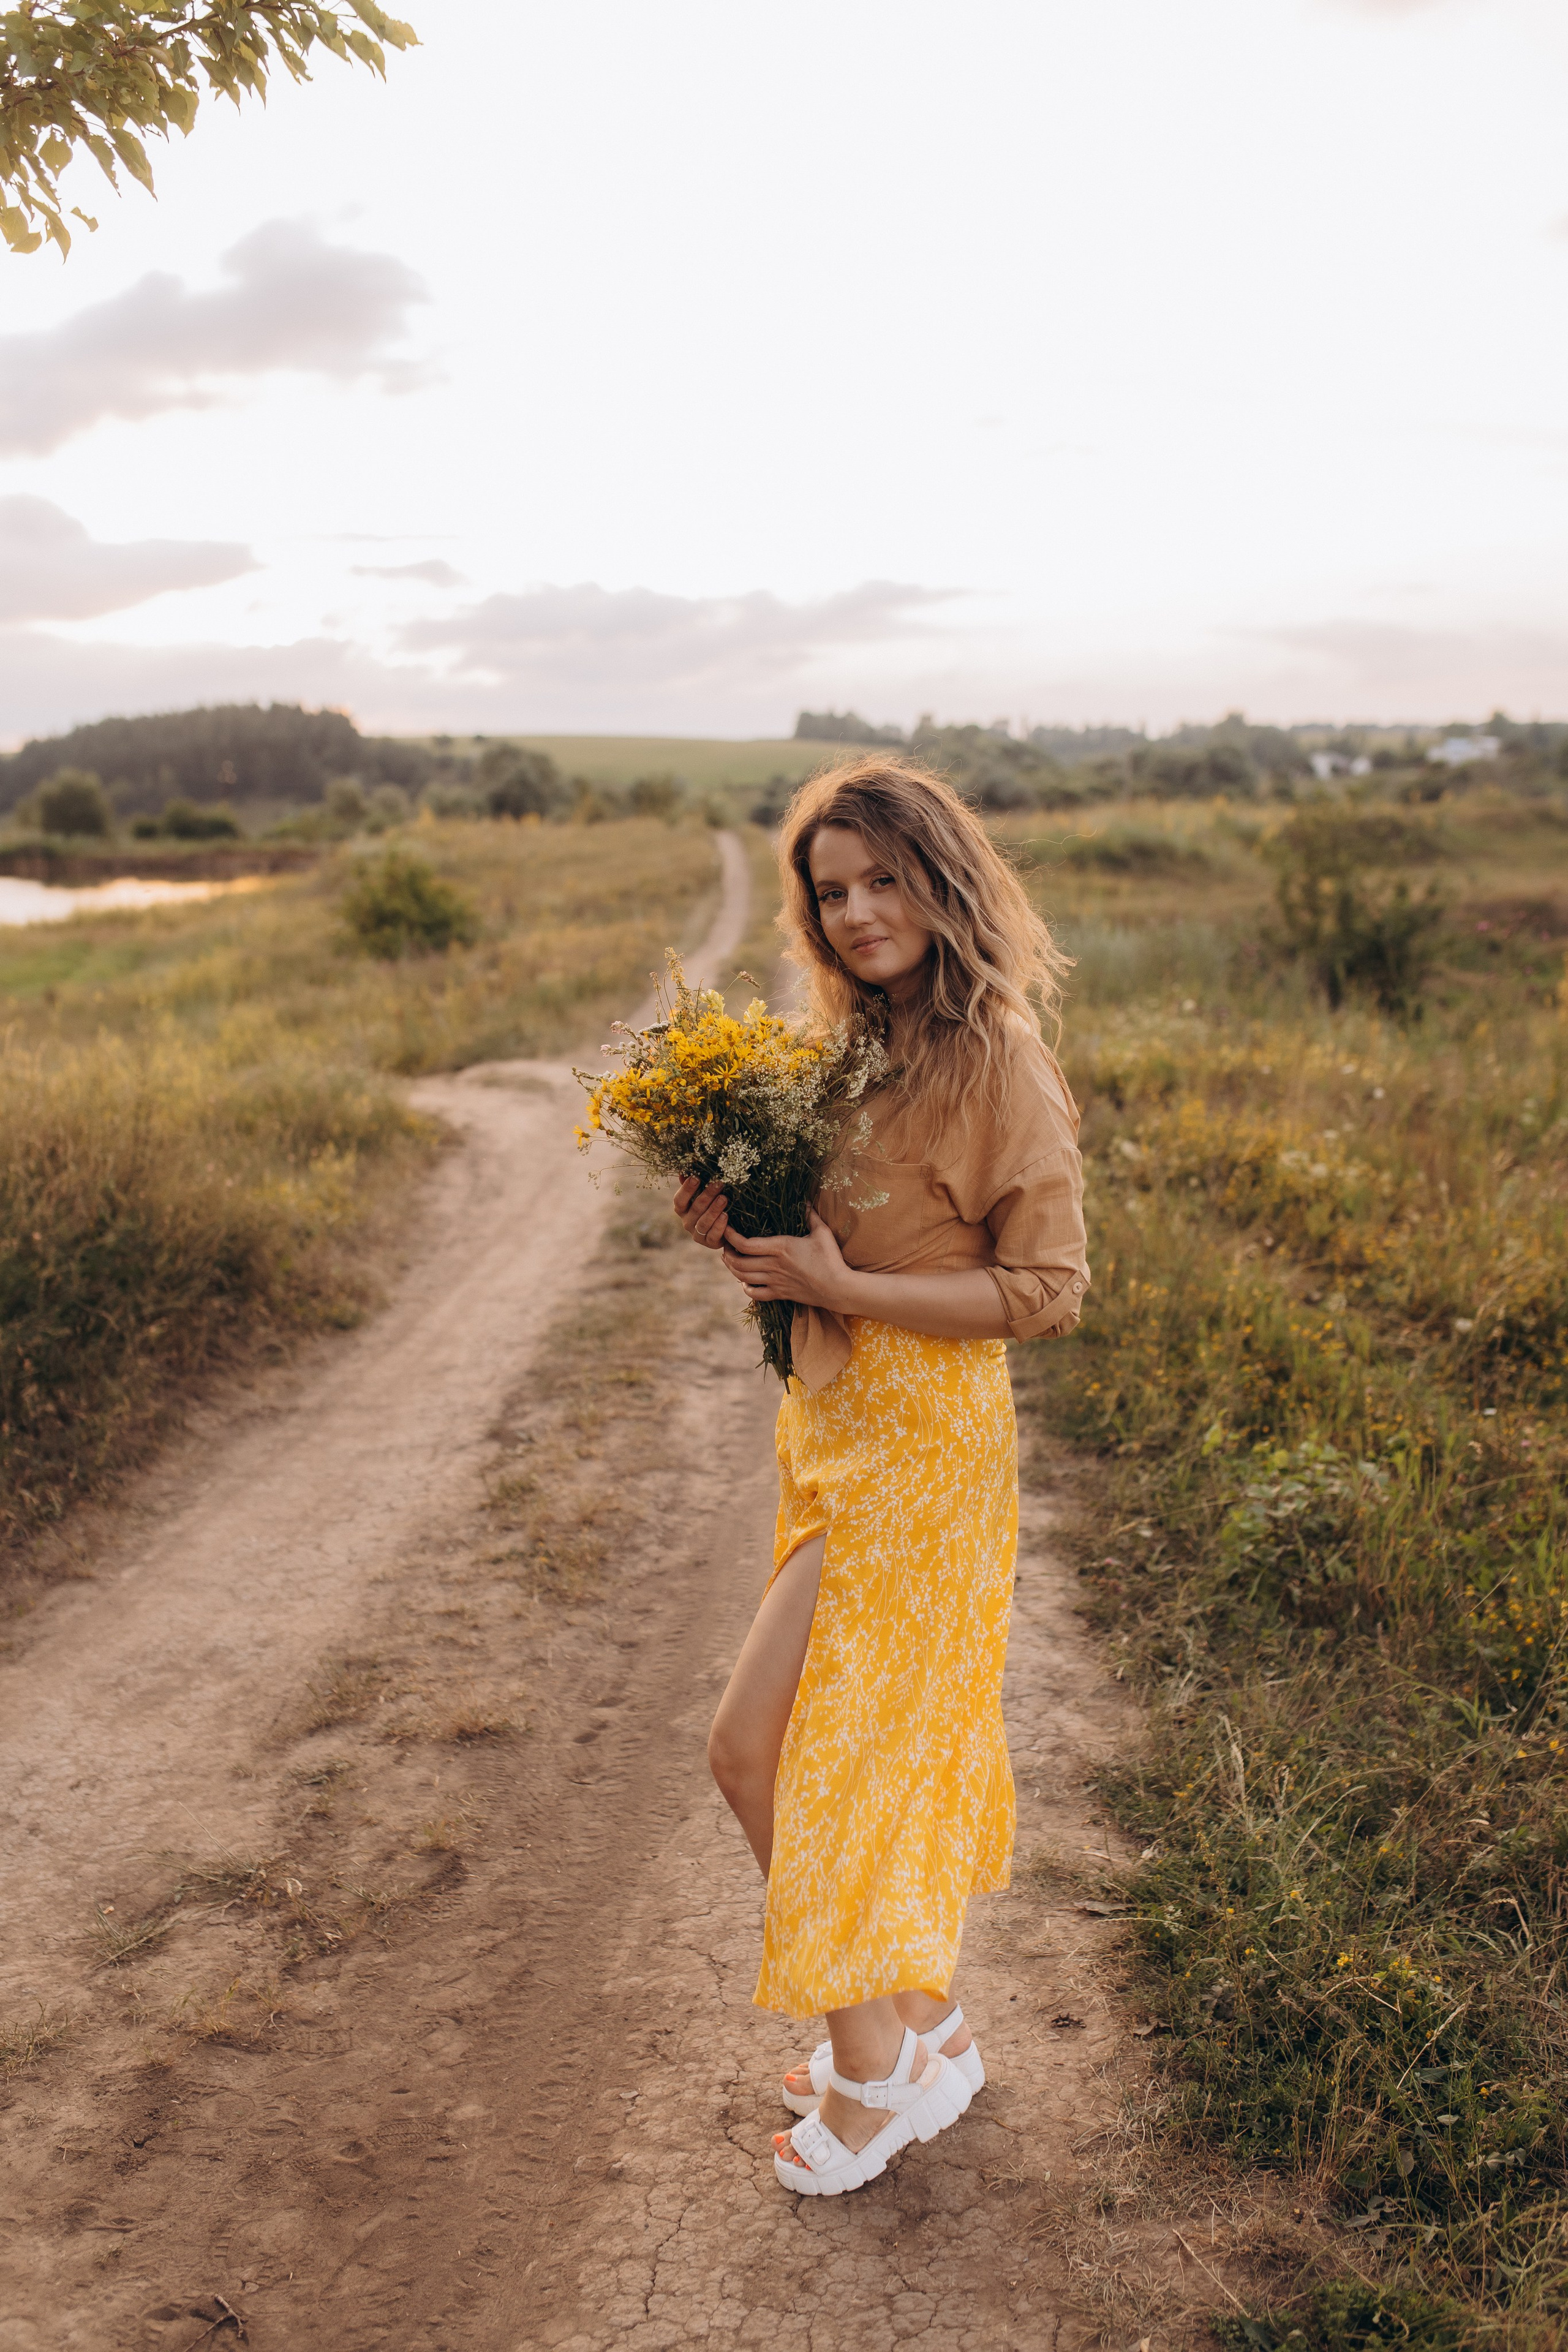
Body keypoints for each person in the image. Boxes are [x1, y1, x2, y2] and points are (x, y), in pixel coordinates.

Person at [672, 755, 1089, 2198]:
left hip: (926, 1442)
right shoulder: (847, 1051)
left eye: (879, 880)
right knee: (849, 1748)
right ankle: (926, 2025)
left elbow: (1041, 1290)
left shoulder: (997, 1057)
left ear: (940, 877)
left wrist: (845, 1279)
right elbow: (823, 1256)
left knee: (764, 1750)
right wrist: (742, 1227)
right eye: (828, 890)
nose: (854, 913)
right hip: (834, 1430)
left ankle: (875, 2073)